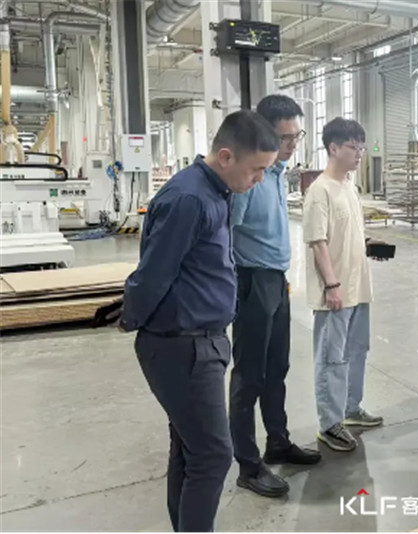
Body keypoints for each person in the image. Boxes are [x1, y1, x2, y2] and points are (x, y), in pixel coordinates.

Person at [119, 110, 280, 532]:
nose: (259, 179)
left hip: (202, 339)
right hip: (181, 345)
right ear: (226, 156)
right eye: (256, 169)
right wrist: (134, 321)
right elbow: (153, 275)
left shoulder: (215, 192)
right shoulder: (189, 199)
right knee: (212, 455)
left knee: (190, 449)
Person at [229, 95, 319, 500]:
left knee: (276, 368)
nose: (292, 144)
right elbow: (226, 235)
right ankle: (248, 466)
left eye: (297, 136)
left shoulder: (278, 174)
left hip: (276, 281)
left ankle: (278, 441)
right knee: (249, 375)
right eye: (285, 137)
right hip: (251, 281)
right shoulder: (251, 179)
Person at [302, 117, 383, 453]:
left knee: (356, 351)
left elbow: (348, 234)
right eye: (353, 147)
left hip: (358, 287)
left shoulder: (349, 186)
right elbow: (317, 242)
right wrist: (332, 284)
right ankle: (329, 423)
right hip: (335, 292)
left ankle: (350, 408)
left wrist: (370, 247)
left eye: (361, 147)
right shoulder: (319, 191)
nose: (359, 153)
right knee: (331, 359)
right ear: (333, 148)